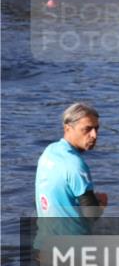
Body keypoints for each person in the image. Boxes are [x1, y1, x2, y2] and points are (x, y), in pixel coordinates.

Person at [35, 103, 107, 244]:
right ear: (67, 128)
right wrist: (101, 203)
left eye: (96, 128)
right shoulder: (75, 165)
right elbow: (92, 214)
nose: (94, 135)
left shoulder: (49, 152)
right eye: (87, 129)